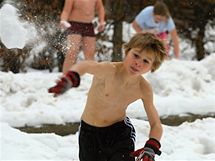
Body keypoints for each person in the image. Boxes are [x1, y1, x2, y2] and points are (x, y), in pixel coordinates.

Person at [48, 33, 165, 161]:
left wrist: (151, 147)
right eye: (136, 55)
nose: (138, 63)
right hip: (90, 134)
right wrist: (72, 77)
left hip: (119, 134)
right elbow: (86, 66)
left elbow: (156, 124)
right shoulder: (109, 70)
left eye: (146, 61)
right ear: (127, 51)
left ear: (152, 66)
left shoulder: (144, 88)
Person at [60, 0, 105, 74]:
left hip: (88, 25)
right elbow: (66, 10)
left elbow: (100, 8)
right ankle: (65, 76)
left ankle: (93, 78)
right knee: (72, 51)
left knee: (90, 54)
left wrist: (102, 21)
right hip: (75, 24)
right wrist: (63, 20)